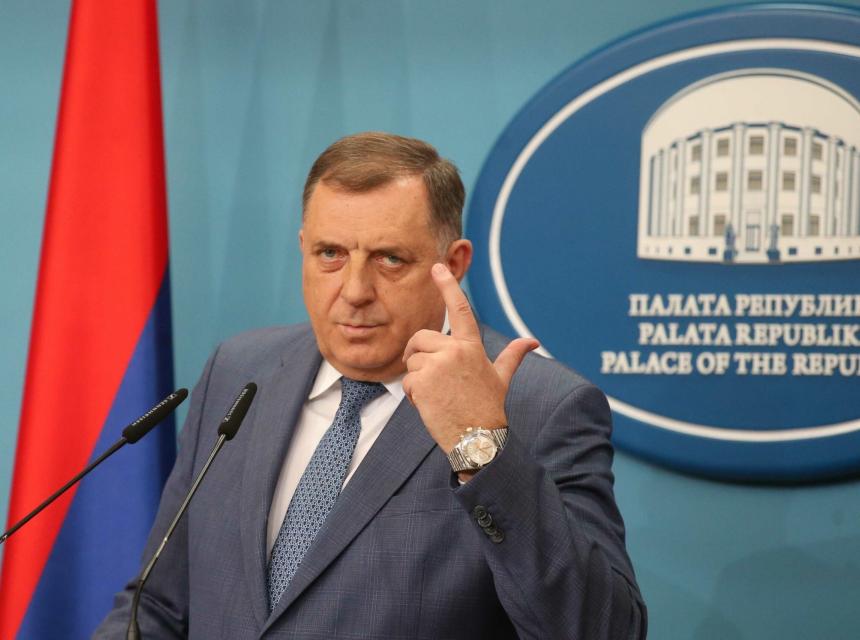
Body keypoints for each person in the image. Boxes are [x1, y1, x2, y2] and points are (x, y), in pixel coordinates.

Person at [94, 132, 646, 639]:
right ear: (304, 248)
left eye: (390, 259)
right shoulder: (239, 371)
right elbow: (158, 606)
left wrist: (481, 448)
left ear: (453, 264)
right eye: (330, 254)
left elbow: (601, 631)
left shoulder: (540, 406)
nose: (355, 290)